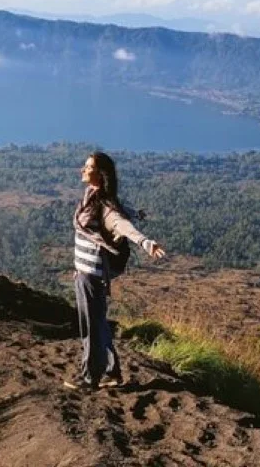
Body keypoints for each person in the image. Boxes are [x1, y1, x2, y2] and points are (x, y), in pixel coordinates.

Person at [64, 151, 165, 390]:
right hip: (86, 272)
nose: (82, 169)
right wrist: (136, 212)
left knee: (90, 326)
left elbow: (121, 223)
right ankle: (112, 372)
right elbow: (122, 212)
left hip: (92, 275)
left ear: (100, 174)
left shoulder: (104, 205)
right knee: (98, 322)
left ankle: (90, 377)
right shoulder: (94, 196)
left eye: (87, 167)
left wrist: (144, 242)